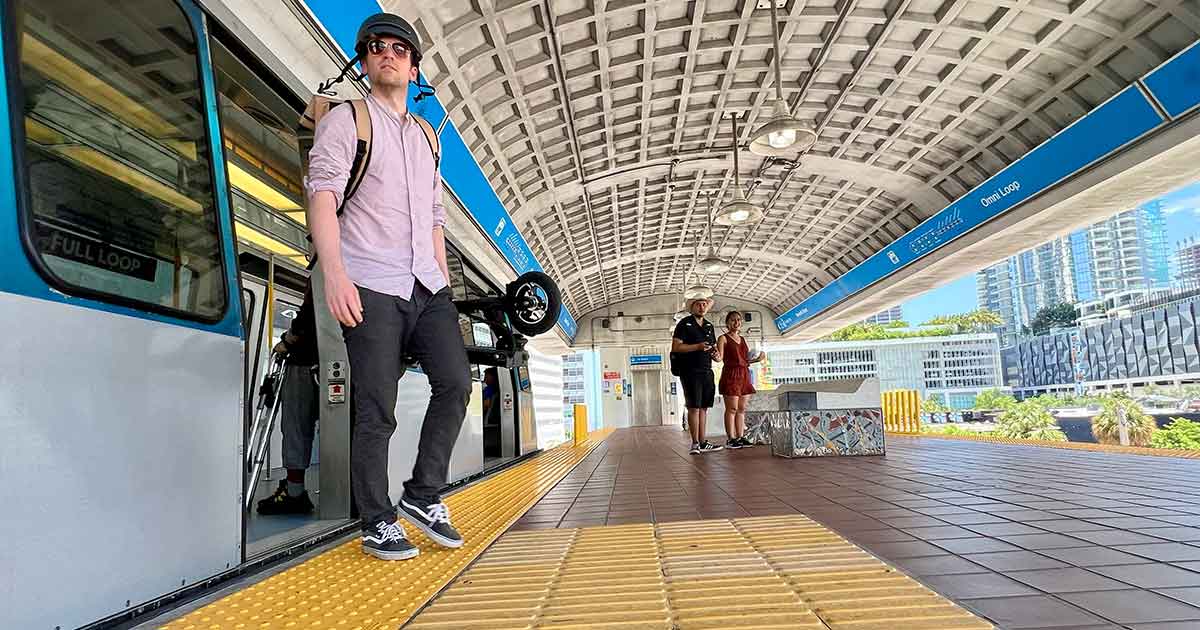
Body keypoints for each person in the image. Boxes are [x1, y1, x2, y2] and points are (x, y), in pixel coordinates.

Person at [306, 12, 471, 561]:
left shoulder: (427, 134)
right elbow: (323, 196)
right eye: (377, 46)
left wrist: (443, 280)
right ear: (365, 59)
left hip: (426, 285)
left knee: (456, 383)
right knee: (376, 409)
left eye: (400, 48)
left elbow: (434, 213)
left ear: (414, 64)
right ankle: (376, 519)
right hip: (370, 282)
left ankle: (423, 494)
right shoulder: (345, 121)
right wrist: (335, 274)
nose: (389, 53)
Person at [256, 290, 319, 515]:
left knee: (296, 428)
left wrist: (286, 341)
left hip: (304, 363)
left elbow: (307, 317)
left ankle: (294, 494)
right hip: (337, 361)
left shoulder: (322, 270)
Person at [671, 298, 722, 454]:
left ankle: (702, 442)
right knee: (694, 407)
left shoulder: (708, 326)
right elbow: (676, 347)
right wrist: (698, 346)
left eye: (704, 304)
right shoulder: (684, 324)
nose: (702, 307)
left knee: (703, 408)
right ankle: (694, 444)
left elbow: (713, 348)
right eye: (698, 304)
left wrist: (716, 355)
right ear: (692, 307)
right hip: (689, 371)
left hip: (707, 370)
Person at [716, 311, 763, 449]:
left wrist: (757, 359)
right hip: (731, 374)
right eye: (732, 320)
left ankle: (740, 436)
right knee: (732, 408)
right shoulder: (723, 338)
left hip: (744, 375)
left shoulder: (742, 339)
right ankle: (731, 438)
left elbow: (745, 360)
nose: (736, 322)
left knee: (742, 409)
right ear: (727, 323)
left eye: (738, 320)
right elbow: (720, 358)